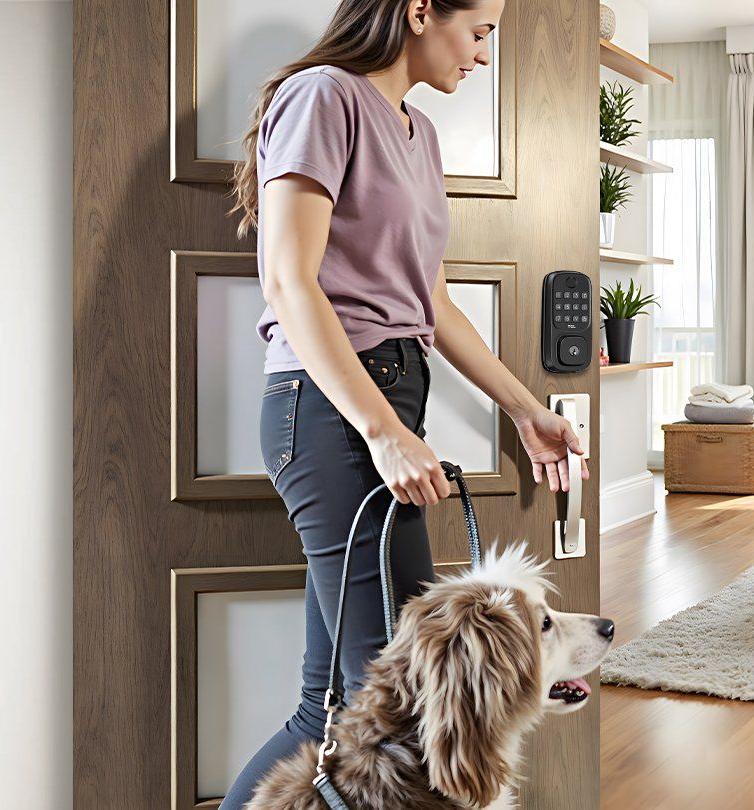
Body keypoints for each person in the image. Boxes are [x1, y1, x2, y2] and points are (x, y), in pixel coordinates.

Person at [222, 0, 587, 804]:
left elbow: (433, 305)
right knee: (399, 717)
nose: (485, 55)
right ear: (421, 10)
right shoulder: (326, 96)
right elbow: (289, 280)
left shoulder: (417, 135)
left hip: (384, 402)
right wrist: (383, 432)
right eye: (482, 30)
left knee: (333, 713)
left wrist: (524, 410)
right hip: (331, 413)